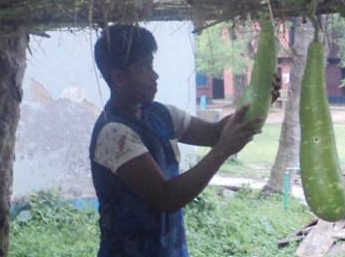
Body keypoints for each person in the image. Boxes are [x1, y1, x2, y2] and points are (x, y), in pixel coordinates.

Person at [89, 24, 265, 257]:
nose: (155, 76)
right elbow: (166, 197)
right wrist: (223, 150)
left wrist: (261, 97)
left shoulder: (161, 114)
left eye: (151, 66)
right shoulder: (113, 134)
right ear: (119, 77)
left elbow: (214, 133)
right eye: (144, 68)